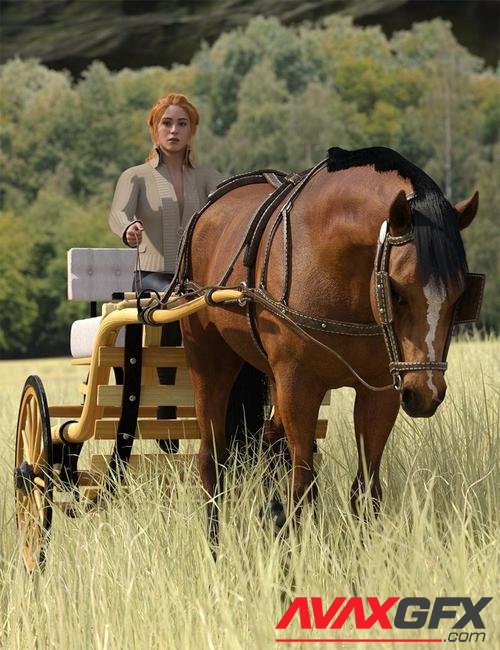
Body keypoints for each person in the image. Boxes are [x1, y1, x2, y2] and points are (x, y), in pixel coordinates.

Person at [109, 92, 267, 453]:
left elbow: (234, 208)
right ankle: (166, 407)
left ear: (192, 131)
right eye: (167, 123)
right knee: (170, 308)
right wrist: (128, 228)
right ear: (154, 129)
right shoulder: (135, 177)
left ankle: (239, 414)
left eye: (182, 123)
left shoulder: (210, 178)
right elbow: (117, 213)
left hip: (196, 281)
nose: (174, 130)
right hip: (153, 278)